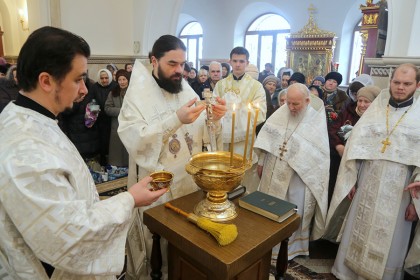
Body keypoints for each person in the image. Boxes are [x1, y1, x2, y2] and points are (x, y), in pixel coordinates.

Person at [0, 26, 168, 280]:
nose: (84, 89)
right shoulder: (25, 149)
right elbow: (69, 237)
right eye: (78, 79)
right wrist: (130, 199)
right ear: (46, 81)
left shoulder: (33, 118)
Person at [117, 34, 227, 279]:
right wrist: (175, 120)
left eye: (183, 64)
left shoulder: (184, 89)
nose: (180, 71)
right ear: (154, 61)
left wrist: (214, 120)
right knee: (161, 247)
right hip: (158, 188)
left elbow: (204, 137)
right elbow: (136, 142)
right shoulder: (137, 98)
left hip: (189, 184)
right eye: (172, 64)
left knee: (187, 247)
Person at [326, 63, 420, 280]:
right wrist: (352, 179)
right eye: (396, 82)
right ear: (390, 82)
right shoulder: (376, 110)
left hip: (400, 190)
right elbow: (356, 149)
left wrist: (416, 201)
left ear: (417, 85)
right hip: (367, 181)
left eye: (407, 84)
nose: (400, 88)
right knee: (357, 227)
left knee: (391, 238)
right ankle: (347, 273)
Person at [254, 83, 329, 260]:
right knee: (271, 205)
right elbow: (266, 140)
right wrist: (261, 161)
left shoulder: (315, 120)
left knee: (294, 207)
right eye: (288, 103)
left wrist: (299, 160)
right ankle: (269, 244)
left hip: (298, 176)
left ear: (307, 101)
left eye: (296, 104)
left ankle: (292, 248)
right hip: (273, 170)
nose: (291, 108)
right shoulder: (281, 113)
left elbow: (320, 156)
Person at [213, 46, 267, 192]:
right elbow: (213, 108)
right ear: (230, 62)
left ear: (247, 63)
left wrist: (235, 114)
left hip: (245, 141)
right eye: (235, 61)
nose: (238, 64)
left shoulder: (256, 86)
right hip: (223, 139)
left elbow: (261, 112)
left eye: (241, 61)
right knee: (223, 174)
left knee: (244, 177)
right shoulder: (220, 85)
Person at [326, 85, 381, 204]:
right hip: (339, 160)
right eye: (360, 100)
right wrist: (338, 146)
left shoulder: (378, 119)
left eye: (366, 102)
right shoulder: (348, 112)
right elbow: (333, 129)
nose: (361, 105)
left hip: (360, 164)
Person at [91, 68, 118, 165]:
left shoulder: (115, 86)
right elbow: (91, 101)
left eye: (106, 78)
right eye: (102, 78)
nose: (104, 80)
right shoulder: (94, 87)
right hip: (100, 120)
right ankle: (103, 162)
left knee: (113, 142)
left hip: (113, 119)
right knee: (102, 142)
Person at [105, 69, 130, 167]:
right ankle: (118, 169)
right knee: (117, 151)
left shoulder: (133, 92)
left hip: (131, 125)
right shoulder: (113, 93)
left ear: (128, 80)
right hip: (117, 126)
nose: (122, 82)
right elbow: (107, 108)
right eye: (120, 80)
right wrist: (121, 111)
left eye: (124, 79)